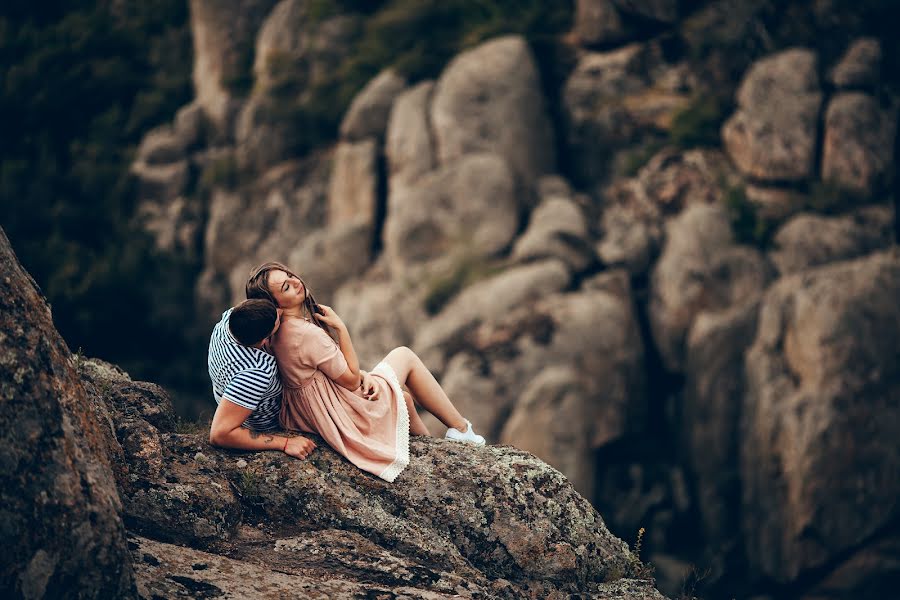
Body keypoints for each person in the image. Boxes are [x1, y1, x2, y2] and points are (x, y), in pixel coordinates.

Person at [245, 262, 484, 483]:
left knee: (404, 399)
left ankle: (435, 451)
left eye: (289, 275)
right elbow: (349, 381)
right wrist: (341, 328)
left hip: (308, 410)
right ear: (274, 304)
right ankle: (462, 431)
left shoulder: (277, 332)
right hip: (336, 410)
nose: (295, 281)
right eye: (286, 287)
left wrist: (363, 375)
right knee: (404, 356)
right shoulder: (306, 334)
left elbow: (323, 370)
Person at [207, 298, 317, 460]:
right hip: (267, 421)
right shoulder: (256, 371)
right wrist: (285, 443)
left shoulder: (228, 320)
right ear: (265, 341)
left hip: (235, 399)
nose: (280, 313)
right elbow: (219, 434)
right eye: (277, 321)